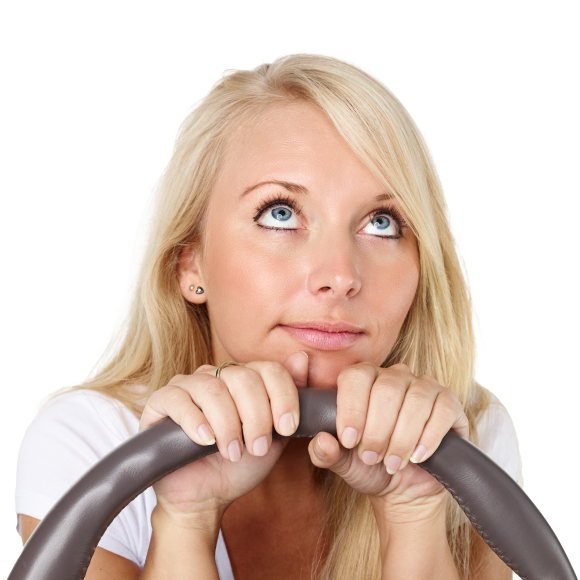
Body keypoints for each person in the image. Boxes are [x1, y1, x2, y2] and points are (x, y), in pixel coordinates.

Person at [14, 49, 523, 580]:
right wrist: (186, 517)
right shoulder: (91, 444)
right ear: (190, 262)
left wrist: (413, 511)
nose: (340, 275)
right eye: (280, 213)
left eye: (382, 222)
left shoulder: (466, 435)